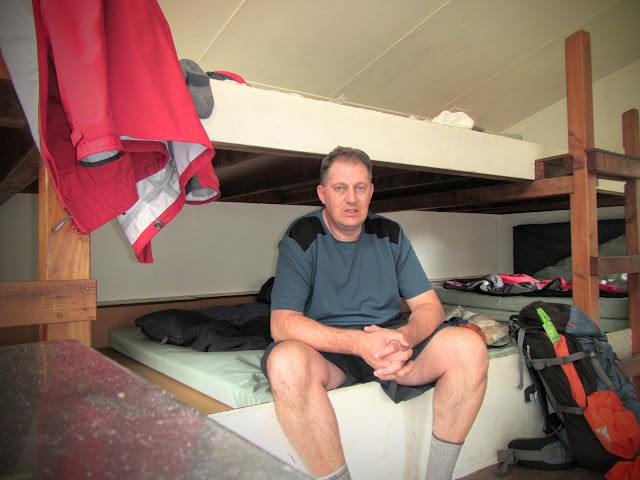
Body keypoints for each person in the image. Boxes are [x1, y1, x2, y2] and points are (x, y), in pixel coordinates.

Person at [260, 146, 489, 480]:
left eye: (360, 187)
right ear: (322, 194)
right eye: (340, 188)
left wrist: (403, 337)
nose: (351, 198)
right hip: (329, 351)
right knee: (285, 364)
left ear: (371, 192)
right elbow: (282, 324)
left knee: (468, 347)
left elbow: (429, 307)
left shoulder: (390, 233)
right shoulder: (301, 236)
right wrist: (358, 344)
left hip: (389, 343)